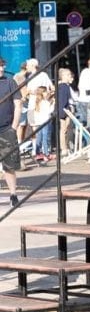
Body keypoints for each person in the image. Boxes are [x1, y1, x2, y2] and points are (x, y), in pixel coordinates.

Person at [0, 59, 23, 206]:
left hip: (7, 128)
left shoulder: (10, 82)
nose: (1, 69)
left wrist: (14, 126)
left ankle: (13, 194)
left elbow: (18, 104)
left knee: (9, 165)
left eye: (2, 66)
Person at [56, 67, 77, 158]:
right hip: (64, 110)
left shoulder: (65, 86)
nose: (70, 76)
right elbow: (62, 100)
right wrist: (64, 111)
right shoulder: (63, 87)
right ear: (63, 76)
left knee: (66, 129)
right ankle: (64, 148)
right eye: (68, 75)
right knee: (64, 129)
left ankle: (66, 147)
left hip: (65, 109)